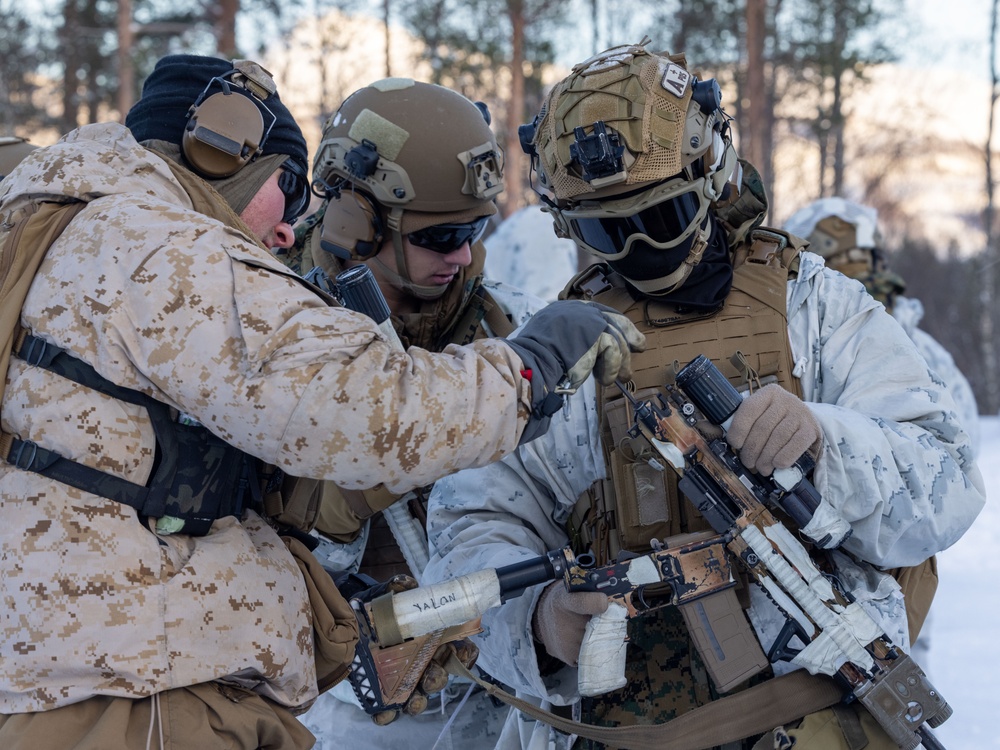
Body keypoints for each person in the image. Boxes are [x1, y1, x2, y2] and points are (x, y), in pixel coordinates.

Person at [0, 55, 644, 749]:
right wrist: (528, 366)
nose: (283, 231)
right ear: (218, 157)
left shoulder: (62, 236)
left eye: (473, 232)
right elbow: (370, 412)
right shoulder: (155, 246)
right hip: (139, 693)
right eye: (438, 235)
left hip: (135, 677)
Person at [423, 40, 984, 750]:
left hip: (817, 705)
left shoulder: (816, 311)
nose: (633, 254)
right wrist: (536, 620)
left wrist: (826, 442)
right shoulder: (559, 349)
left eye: (656, 221)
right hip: (625, 723)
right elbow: (470, 523)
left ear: (709, 177)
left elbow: (948, 484)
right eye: (605, 232)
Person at [280, 78, 545, 747]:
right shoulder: (271, 319)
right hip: (331, 691)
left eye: (475, 231)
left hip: (492, 674)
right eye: (443, 235)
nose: (461, 255)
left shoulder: (494, 322)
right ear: (356, 220)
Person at [783, 197, 980, 457]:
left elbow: (958, 460)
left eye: (860, 259)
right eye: (843, 261)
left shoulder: (928, 354)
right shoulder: (928, 352)